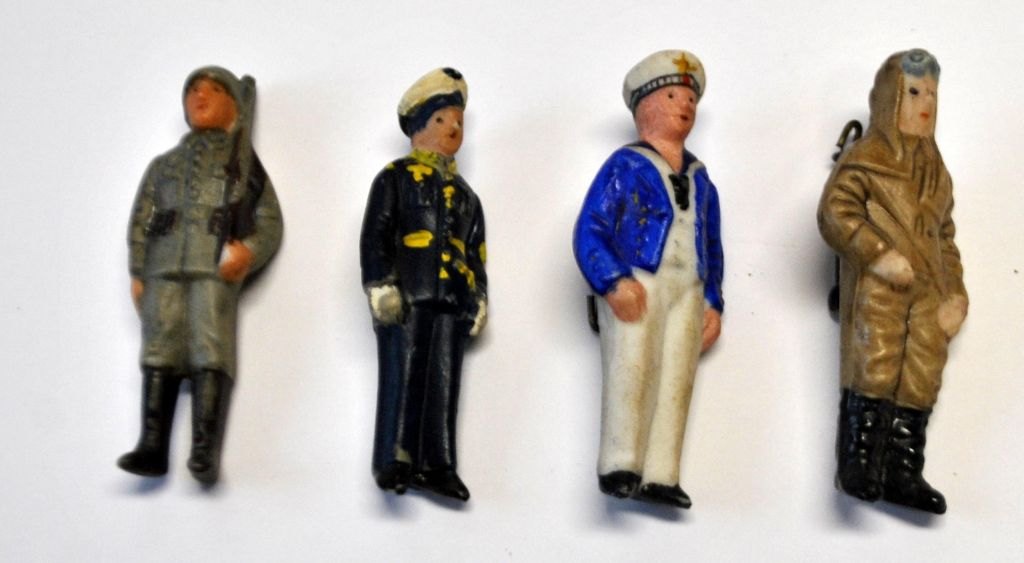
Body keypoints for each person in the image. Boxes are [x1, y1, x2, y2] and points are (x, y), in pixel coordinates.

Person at [573, 50, 724, 509]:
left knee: (677, 376)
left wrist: (713, 301)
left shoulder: (701, 178)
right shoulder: (626, 165)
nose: (686, 106)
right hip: (639, 281)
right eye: (674, 96)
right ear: (644, 107)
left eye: (691, 99)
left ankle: (662, 472)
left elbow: (713, 245)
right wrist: (613, 281)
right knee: (632, 367)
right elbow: (590, 229)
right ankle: (620, 463)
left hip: (688, 289)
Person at [818, 49, 966, 514]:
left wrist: (956, 293)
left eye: (932, 95)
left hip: (929, 295)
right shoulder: (867, 159)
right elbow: (836, 213)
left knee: (921, 376)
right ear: (889, 99)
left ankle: (903, 470)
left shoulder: (937, 173)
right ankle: (859, 464)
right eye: (915, 92)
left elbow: (945, 236)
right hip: (882, 290)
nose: (926, 104)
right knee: (875, 366)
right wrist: (878, 255)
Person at [119, 66, 283, 484]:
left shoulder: (242, 165)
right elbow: (141, 219)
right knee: (159, 348)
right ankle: (152, 445)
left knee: (210, 349)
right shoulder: (164, 165)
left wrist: (248, 250)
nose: (200, 96)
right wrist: (138, 270)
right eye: (192, 90)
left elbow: (269, 220)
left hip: (213, 268)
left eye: (213, 89)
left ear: (234, 104)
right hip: (163, 267)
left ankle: (204, 451)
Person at [360, 67, 487, 502]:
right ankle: (395, 458)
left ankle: (438, 463)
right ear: (416, 126)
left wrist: (479, 298)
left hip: (452, 301)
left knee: (444, 382)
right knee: (405, 374)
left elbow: (476, 252)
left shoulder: (467, 196)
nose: (452, 128)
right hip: (409, 297)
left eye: (458, 122)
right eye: (440, 119)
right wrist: (380, 285)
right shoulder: (395, 177)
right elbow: (376, 235)